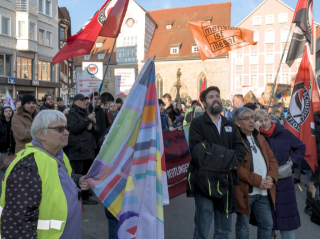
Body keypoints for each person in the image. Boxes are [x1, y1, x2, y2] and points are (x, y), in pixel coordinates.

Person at [0, 110, 91, 239]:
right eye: (60, 129)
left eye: (66, 128)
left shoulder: (58, 154)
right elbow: (18, 224)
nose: (67, 132)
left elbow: (61, 177)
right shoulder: (27, 166)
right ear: (41, 134)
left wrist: (77, 180)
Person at [187, 86, 246, 239]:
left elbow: (240, 151)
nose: (215, 99)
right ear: (204, 103)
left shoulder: (229, 124)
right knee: (202, 230)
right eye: (211, 97)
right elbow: (199, 153)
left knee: (224, 231)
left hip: (226, 182)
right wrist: (228, 157)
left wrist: (215, 154)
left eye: (217, 96)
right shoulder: (197, 124)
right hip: (204, 183)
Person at [255, 109, 306, 239]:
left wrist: (292, 162)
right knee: (267, 221)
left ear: (270, 118)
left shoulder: (284, 133)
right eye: (260, 121)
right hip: (264, 182)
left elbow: (300, 147)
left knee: (286, 220)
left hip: (284, 182)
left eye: (266, 119)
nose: (264, 123)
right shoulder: (254, 136)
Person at [232, 107, 278, 239]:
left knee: (267, 225)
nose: (251, 121)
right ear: (237, 123)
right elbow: (237, 167)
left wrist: (271, 177)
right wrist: (259, 181)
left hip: (264, 191)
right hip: (246, 192)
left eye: (252, 117)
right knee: (243, 226)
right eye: (246, 119)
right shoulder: (235, 140)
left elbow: (272, 160)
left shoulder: (259, 138)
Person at [66, 94, 99, 205]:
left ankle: (85, 197)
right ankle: (76, 197)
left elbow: (96, 128)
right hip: (78, 150)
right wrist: (87, 120)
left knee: (86, 174)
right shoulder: (71, 114)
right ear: (75, 102)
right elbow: (75, 128)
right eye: (82, 100)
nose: (85, 102)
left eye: (85, 100)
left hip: (88, 149)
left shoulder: (86, 113)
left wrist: (92, 127)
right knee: (78, 175)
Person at [0, 106, 16, 192]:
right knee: (2, 171)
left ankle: (10, 190)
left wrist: (12, 147)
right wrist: (3, 147)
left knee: (11, 171)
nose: (8, 112)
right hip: (2, 151)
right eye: (6, 111)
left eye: (10, 111)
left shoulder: (15, 122)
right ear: (3, 113)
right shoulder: (1, 123)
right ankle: (2, 190)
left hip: (12, 151)